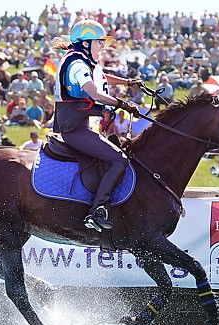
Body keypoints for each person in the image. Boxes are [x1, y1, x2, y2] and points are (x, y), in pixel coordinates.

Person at [53, 19, 141, 231]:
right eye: (99, 42)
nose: (102, 46)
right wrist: (122, 104)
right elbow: (94, 92)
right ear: (85, 43)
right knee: (118, 160)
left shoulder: (82, 60)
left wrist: (127, 83)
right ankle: (97, 210)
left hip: (79, 126)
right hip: (73, 130)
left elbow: (102, 78)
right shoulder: (76, 64)